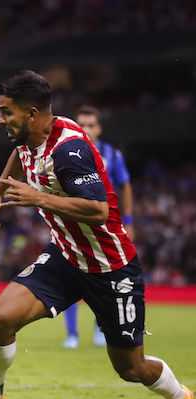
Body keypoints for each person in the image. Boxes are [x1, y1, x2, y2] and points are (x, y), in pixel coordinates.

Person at [0, 70, 194, 399]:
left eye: (5, 112)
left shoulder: (69, 150)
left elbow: (97, 211)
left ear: (31, 114)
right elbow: (19, 153)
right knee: (0, 320)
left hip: (111, 268)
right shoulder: (32, 135)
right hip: (66, 255)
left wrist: (37, 197)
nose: (0, 120)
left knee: (130, 367)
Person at [60, 106, 137, 349]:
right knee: (71, 279)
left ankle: (99, 329)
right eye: (81, 124)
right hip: (74, 226)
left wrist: (130, 220)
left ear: (99, 128)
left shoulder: (112, 155)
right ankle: (72, 334)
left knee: (105, 280)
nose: (86, 129)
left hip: (105, 229)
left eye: (91, 125)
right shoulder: (65, 153)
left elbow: (125, 186)